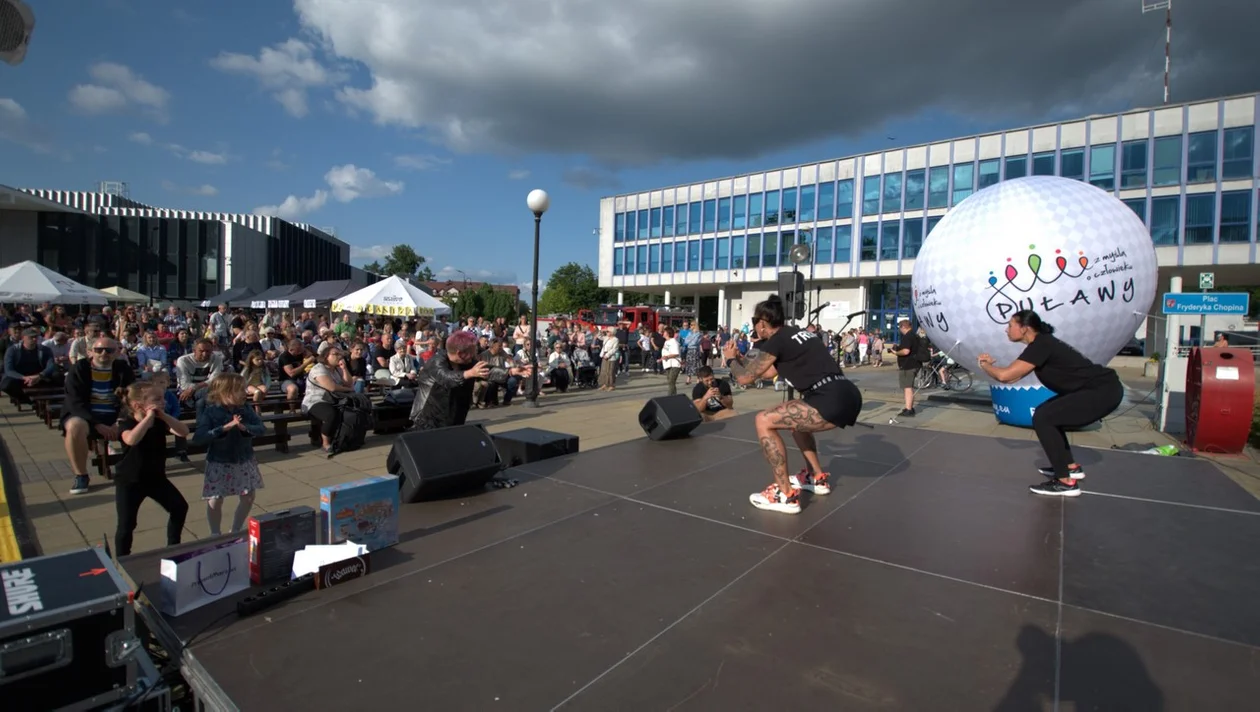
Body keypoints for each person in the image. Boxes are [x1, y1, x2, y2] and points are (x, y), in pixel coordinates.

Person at [722, 295, 863, 514]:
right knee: (796, 426)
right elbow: (767, 373)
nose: (755, 328)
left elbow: (744, 379)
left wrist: (730, 360)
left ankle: (784, 494)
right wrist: (741, 359)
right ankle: (816, 477)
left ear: (761, 323)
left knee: (763, 420)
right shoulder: (797, 334)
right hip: (846, 393)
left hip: (827, 398)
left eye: (754, 322)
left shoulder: (776, 340)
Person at [977, 310, 1124, 497]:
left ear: (1024, 328)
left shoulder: (1041, 345)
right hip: (1097, 390)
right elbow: (1012, 379)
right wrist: (992, 368)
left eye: (1010, 325)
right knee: (1046, 413)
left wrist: (985, 364)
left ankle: (1065, 482)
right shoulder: (1041, 344)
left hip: (1101, 391)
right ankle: (1070, 467)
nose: (1006, 330)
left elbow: (1004, 376)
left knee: (1044, 417)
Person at [114, 382, 190, 556]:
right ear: (137, 405)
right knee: (127, 525)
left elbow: (183, 431)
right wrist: (148, 418)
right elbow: (132, 440)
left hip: (156, 478)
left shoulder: (160, 421)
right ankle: (122, 559)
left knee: (179, 507)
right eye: (157, 399)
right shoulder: (126, 422)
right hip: (130, 481)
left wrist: (163, 416)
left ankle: (173, 547)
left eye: (163, 398)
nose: (163, 401)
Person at [410, 331, 532, 431]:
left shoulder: (466, 362)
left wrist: (511, 371)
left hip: (454, 414)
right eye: (472, 352)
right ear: (460, 353)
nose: (475, 355)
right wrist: (470, 373)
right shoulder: (436, 362)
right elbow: (446, 378)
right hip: (428, 418)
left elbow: (486, 370)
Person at [192, 374, 266, 534]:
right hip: (220, 461)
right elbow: (199, 438)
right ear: (224, 392)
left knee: (248, 496)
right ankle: (215, 533)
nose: (244, 393)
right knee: (216, 498)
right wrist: (223, 428)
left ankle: (236, 530)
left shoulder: (245, 408)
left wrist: (245, 428)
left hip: (244, 459)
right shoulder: (211, 412)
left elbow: (261, 428)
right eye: (239, 390)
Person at [62, 337, 136, 495]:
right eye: (99, 350)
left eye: (109, 350)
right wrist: (96, 424)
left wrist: (120, 421)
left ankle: (139, 469)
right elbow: (74, 402)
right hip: (86, 415)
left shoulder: (123, 368)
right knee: (75, 426)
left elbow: (131, 398)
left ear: (116, 352)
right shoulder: (79, 369)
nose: (104, 353)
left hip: (115, 415)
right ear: (90, 352)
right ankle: (81, 475)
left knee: (145, 420)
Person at [2, 327, 57, 403]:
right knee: (6, 384)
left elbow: (51, 366)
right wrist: (24, 377)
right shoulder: (12, 350)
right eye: (31, 337)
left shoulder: (45, 350)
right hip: (20, 377)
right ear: (23, 338)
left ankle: (51, 398)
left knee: (58, 376)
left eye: (35, 337)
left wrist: (40, 376)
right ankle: (24, 399)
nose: (34, 339)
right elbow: (9, 370)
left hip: (39, 376)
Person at [892, 320, 923, 417]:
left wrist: (896, 352)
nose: (900, 330)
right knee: (908, 387)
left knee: (907, 388)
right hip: (914, 364)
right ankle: (909, 407)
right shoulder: (915, 335)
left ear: (903, 327)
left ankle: (909, 409)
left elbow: (905, 351)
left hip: (908, 365)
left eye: (900, 328)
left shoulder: (907, 337)